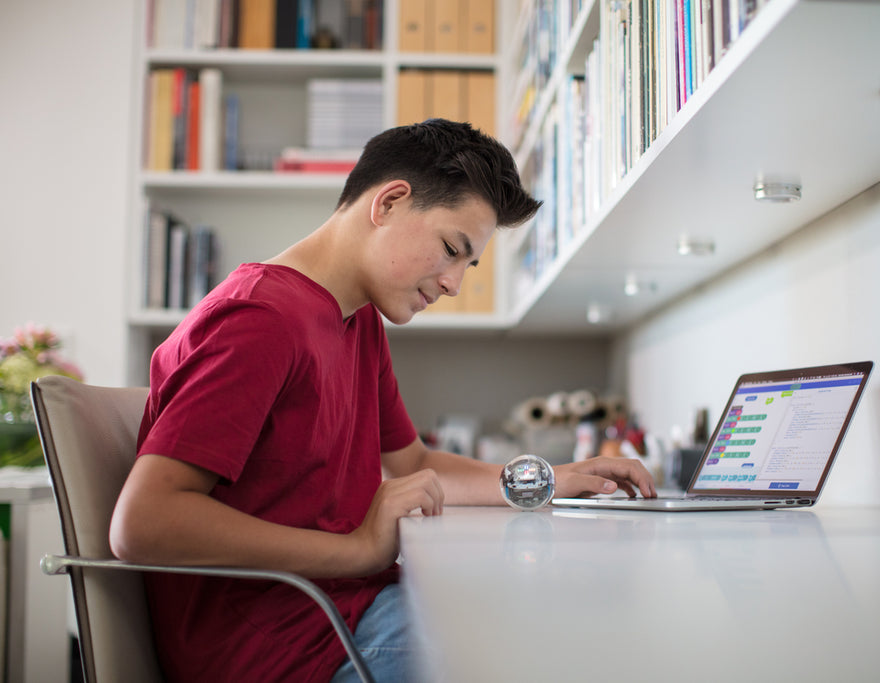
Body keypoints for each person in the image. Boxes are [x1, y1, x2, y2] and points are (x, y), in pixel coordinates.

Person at [109, 119, 656, 682]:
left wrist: (551, 479)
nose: (453, 285)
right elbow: (144, 522)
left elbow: (415, 463)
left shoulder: (357, 318)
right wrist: (358, 550)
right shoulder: (259, 320)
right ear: (389, 202)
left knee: (548, 619)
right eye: (451, 250)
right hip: (284, 650)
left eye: (466, 266)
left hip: (345, 612)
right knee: (548, 649)